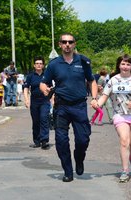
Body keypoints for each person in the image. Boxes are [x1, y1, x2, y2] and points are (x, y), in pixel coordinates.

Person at [40, 33, 98, 182]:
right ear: (59, 44)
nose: (67, 44)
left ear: (74, 44)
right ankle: (67, 171)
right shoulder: (54, 64)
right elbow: (44, 82)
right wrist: (44, 89)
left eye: (70, 42)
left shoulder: (83, 61)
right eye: (64, 42)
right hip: (62, 107)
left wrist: (94, 98)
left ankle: (79, 158)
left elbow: (91, 81)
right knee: (61, 141)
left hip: (79, 106)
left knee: (83, 140)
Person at [94, 54, 131, 183]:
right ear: (119, 65)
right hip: (119, 115)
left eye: (128, 64)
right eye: (123, 64)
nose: (125, 67)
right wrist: (97, 104)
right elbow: (105, 96)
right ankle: (125, 171)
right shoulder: (112, 80)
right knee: (124, 141)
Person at [23, 56, 51, 150]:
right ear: (34, 65)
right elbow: (26, 88)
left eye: (40, 63)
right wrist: (26, 100)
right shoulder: (30, 76)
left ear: (43, 65)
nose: (39, 65)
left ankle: (44, 141)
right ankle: (37, 141)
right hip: (34, 101)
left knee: (44, 119)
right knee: (36, 121)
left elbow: (51, 88)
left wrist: (53, 99)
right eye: (37, 63)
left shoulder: (47, 75)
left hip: (45, 101)